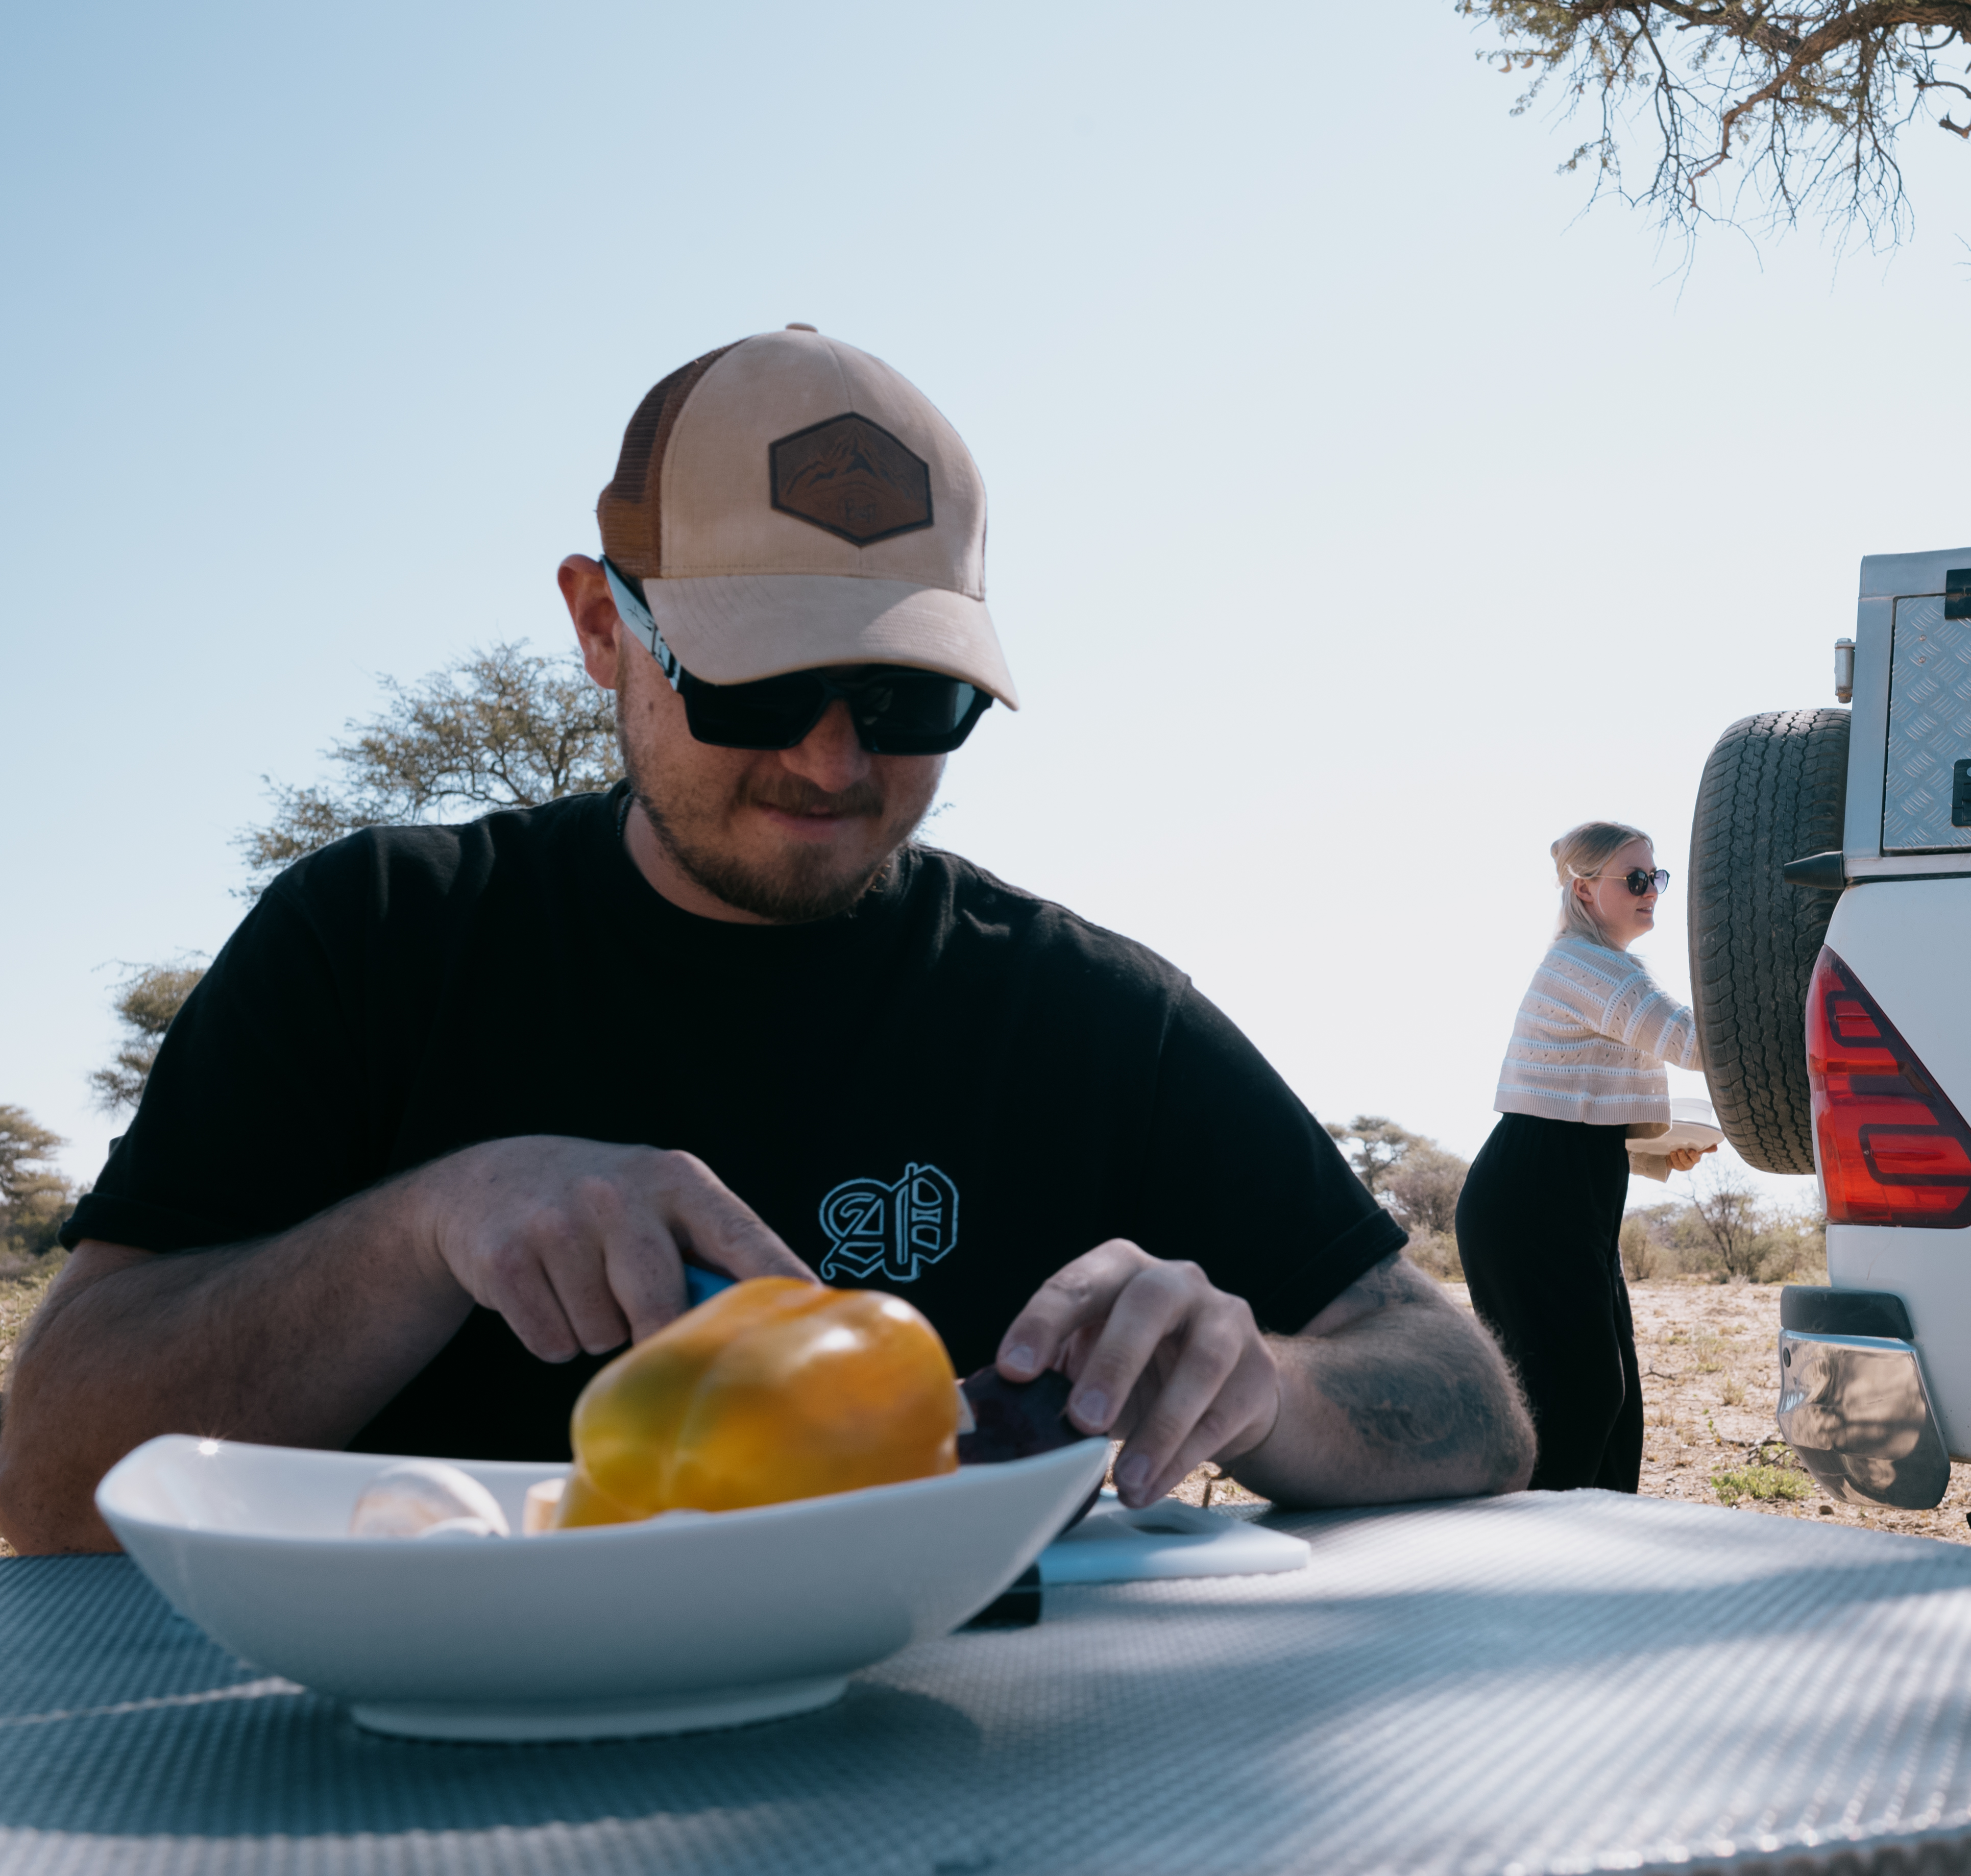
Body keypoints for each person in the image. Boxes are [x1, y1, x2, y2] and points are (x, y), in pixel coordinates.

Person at [0, 327, 1532, 1555]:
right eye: (751, 686)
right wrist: (428, 1228)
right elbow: (52, 1474)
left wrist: (1269, 1383)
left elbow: (1465, 1399)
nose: (831, 759)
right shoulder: (380, 939)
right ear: (603, 626)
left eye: (907, 696)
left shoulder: (1079, 1009)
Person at [1455, 821, 1703, 1494]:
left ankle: (1602, 1557)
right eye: (1635, 879)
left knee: (1610, 1403)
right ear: (1584, 890)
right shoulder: (1584, 965)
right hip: (1532, 1203)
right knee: (1580, 1400)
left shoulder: (1604, 964)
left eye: (1656, 877)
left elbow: (1584, 1106)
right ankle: (1536, 1563)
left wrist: (1656, 1153)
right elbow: (1688, 1043)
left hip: (1563, 1198)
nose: (1651, 891)